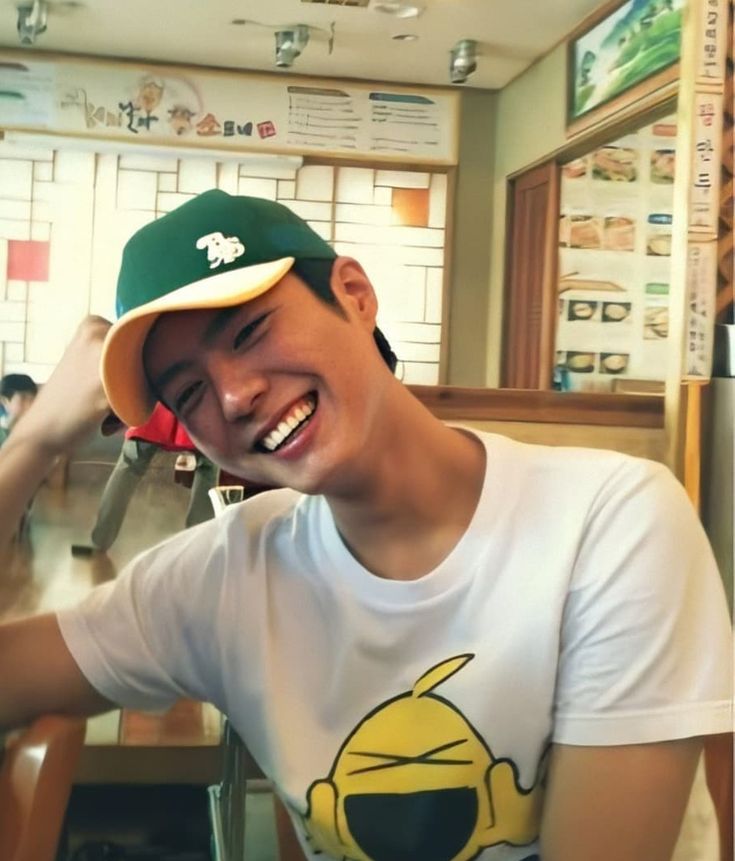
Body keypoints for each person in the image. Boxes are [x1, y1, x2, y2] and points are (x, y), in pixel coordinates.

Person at [0, 189, 731, 861]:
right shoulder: (223, 576)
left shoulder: (606, 523)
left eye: (250, 331)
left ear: (353, 295)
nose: (234, 393)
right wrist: (30, 442)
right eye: (188, 390)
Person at [75, 402, 217, 554]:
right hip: (197, 407)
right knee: (208, 469)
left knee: (128, 467)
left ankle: (99, 542)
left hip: (154, 405)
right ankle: (196, 546)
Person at [0, 373, 38, 447]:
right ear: (4, 401)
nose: (30, 403)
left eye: (33, 398)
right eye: (23, 398)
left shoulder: (37, 430)